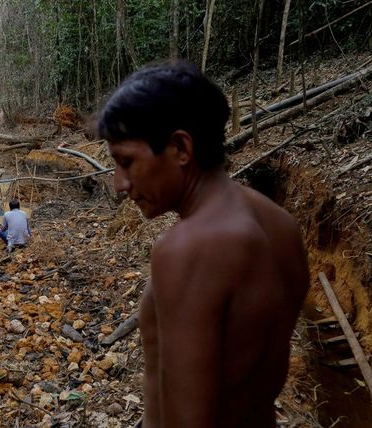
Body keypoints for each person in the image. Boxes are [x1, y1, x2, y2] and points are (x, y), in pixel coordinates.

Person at [98, 60, 309, 428]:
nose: (120, 184)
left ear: (180, 147)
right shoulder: (280, 225)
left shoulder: (189, 248)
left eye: (127, 162)